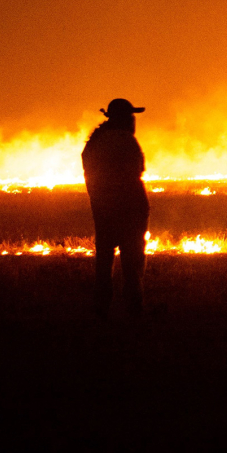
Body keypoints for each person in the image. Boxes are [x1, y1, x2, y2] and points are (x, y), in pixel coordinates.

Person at [81, 98, 150, 318]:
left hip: (103, 208)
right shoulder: (126, 141)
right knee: (132, 260)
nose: (133, 120)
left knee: (104, 259)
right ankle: (134, 308)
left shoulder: (95, 142)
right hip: (130, 209)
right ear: (124, 119)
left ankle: (100, 308)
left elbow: (89, 172)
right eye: (130, 116)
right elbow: (138, 169)